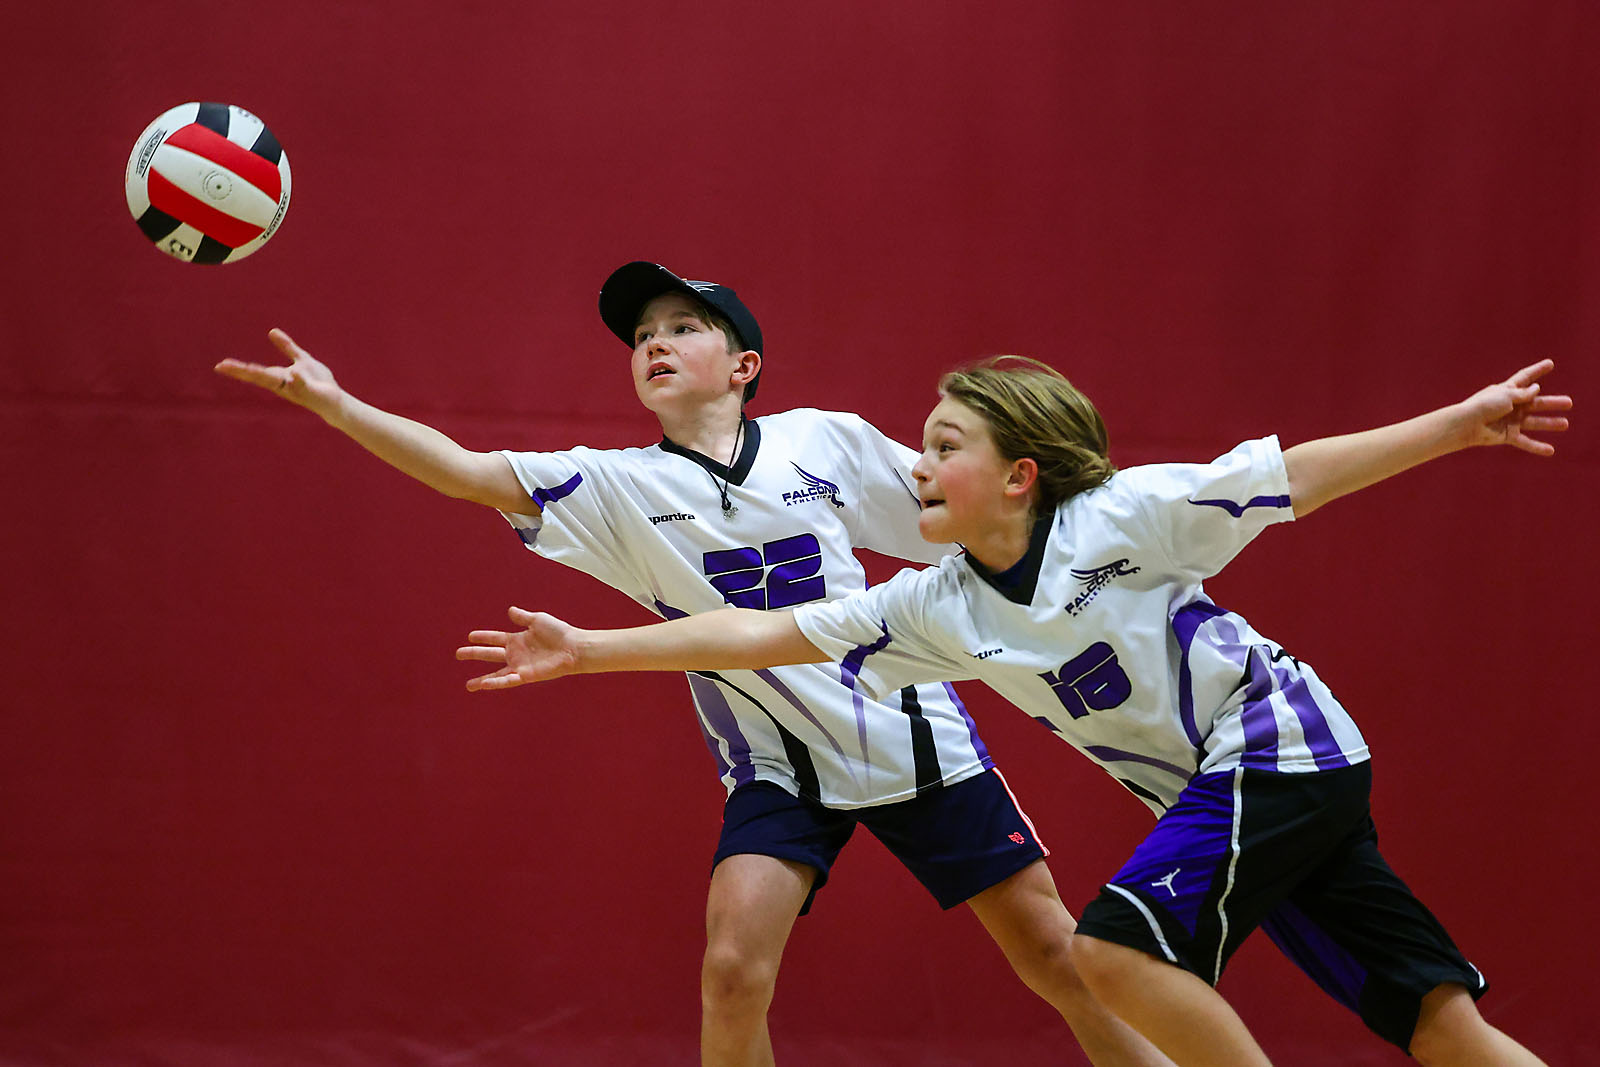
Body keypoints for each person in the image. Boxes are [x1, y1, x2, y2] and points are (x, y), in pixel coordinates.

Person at [458, 355, 1570, 1066]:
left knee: (1111, 945)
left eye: (945, 444)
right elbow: (764, 632)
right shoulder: (933, 604)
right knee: (1436, 1019)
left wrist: (1458, 423)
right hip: (1258, 781)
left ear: (1020, 472)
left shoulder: (1127, 514)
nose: (919, 463)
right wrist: (592, 646)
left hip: (1276, 743)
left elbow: (1294, 477)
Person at [215, 265, 1170, 1067]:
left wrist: (1081, 554)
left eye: (684, 326)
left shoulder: (822, 443)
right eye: (641, 335)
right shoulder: (620, 487)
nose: (655, 342)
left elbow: (955, 520)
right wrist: (339, 407)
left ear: (744, 365)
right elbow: (465, 470)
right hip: (779, 770)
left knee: (1056, 954)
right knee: (730, 971)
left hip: (912, 742)